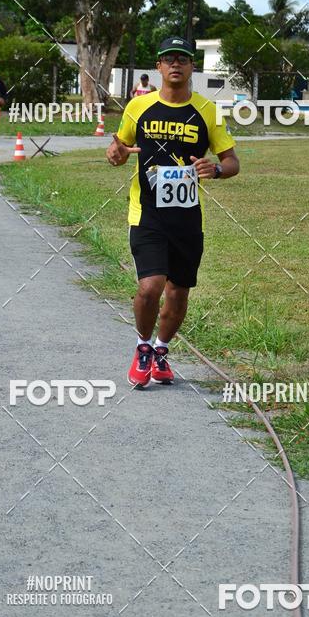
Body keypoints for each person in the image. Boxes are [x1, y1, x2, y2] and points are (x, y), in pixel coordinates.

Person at [107, 36, 240, 388]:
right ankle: (143, 347)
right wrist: (116, 154)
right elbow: (119, 145)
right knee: (150, 287)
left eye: (183, 58)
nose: (176, 64)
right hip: (147, 213)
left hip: (186, 217)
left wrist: (218, 170)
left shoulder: (207, 111)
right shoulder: (138, 107)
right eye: (169, 59)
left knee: (178, 293)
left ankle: (162, 350)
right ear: (159, 66)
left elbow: (231, 160)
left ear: (191, 66)